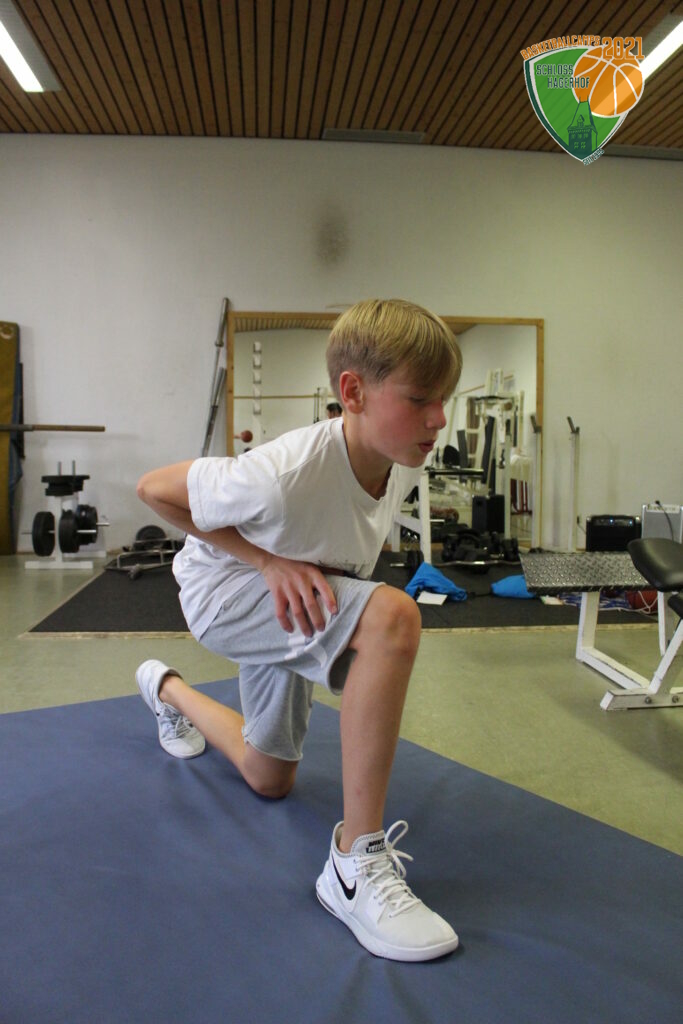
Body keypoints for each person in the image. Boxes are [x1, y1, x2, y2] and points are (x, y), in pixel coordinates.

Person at [135, 298, 463, 962]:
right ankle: (352, 866)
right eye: (419, 400)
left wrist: (295, 569)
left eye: (444, 400)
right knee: (392, 618)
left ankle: (164, 690)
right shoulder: (279, 475)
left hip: (299, 593)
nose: (438, 419)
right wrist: (266, 561)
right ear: (353, 393)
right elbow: (153, 489)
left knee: (269, 775)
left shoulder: (401, 458)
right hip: (227, 593)